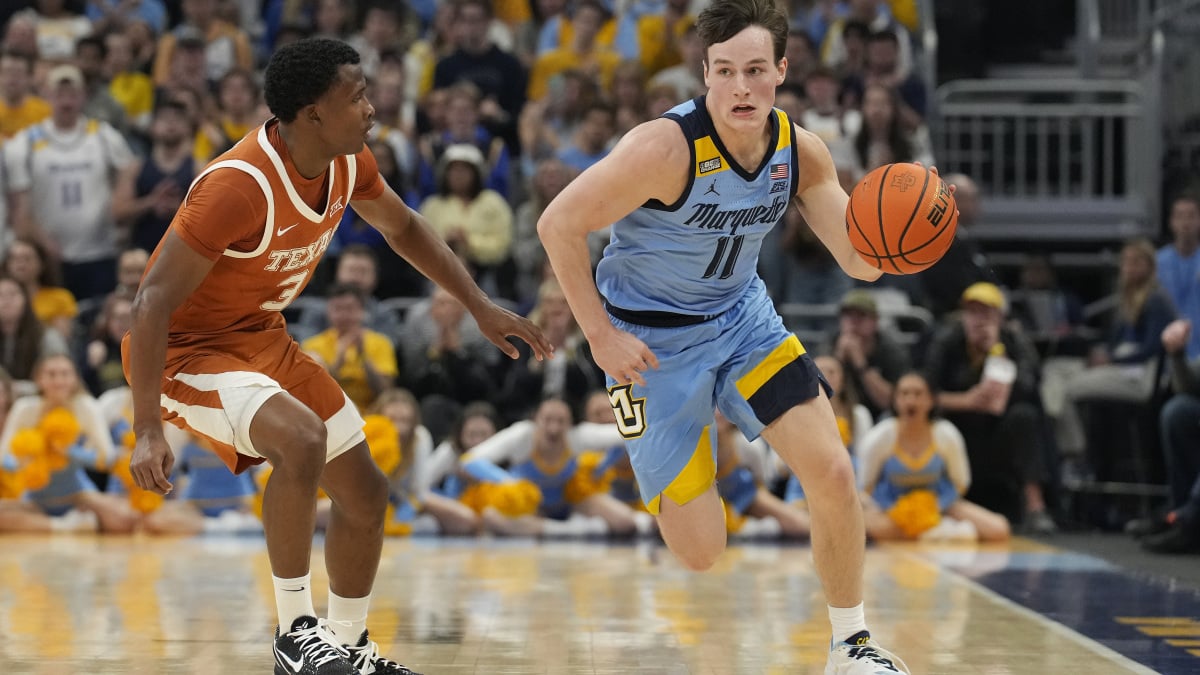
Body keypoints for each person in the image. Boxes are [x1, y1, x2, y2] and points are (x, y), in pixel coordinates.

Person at [123, 38, 550, 675]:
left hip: (260, 337)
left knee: (367, 492)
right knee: (299, 441)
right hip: (185, 355)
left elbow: (403, 228)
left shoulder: (348, 162)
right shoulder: (236, 187)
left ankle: (349, 645)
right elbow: (151, 303)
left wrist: (479, 305)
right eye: (356, 97)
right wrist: (146, 428)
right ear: (311, 113)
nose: (372, 109)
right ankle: (295, 632)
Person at [537, 0, 913, 671]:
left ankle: (852, 645)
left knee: (831, 469)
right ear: (704, 73)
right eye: (726, 71)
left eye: (757, 70)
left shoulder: (802, 151)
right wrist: (597, 336)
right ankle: (690, 429)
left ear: (782, 71)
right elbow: (558, 225)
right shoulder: (662, 149)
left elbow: (858, 257)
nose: (742, 87)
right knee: (701, 549)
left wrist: (906, 239)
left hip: (743, 321)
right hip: (647, 345)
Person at [858, 371, 1011, 542]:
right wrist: (897, 510)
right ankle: (942, 532)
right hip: (890, 509)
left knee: (999, 529)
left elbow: (960, 483)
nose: (911, 400)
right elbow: (866, 486)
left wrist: (934, 507)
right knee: (867, 527)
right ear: (895, 400)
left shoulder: (946, 434)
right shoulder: (879, 437)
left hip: (939, 506)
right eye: (904, 393)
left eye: (918, 394)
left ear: (931, 400)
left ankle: (931, 530)